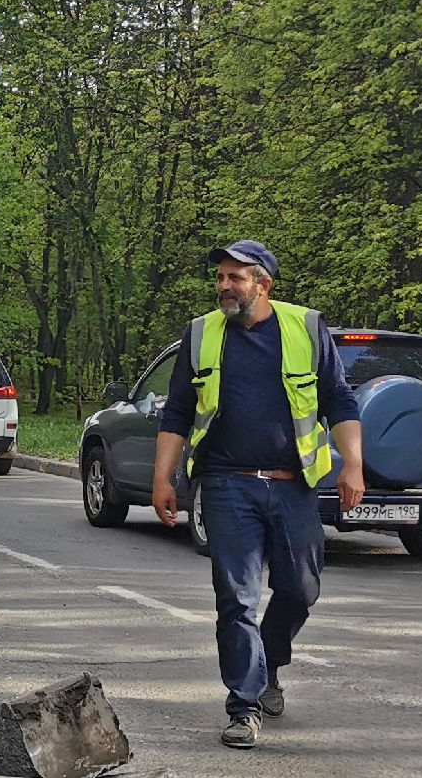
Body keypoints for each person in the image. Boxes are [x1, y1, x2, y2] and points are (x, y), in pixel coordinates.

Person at [152, 239, 362, 750]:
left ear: (263, 285)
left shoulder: (306, 328)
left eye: (235, 278)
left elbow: (338, 398)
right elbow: (178, 410)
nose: (224, 286)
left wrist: (352, 463)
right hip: (227, 484)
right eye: (221, 277)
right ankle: (243, 706)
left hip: (294, 486)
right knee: (237, 599)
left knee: (299, 590)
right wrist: (164, 477)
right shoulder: (201, 333)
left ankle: (268, 663)